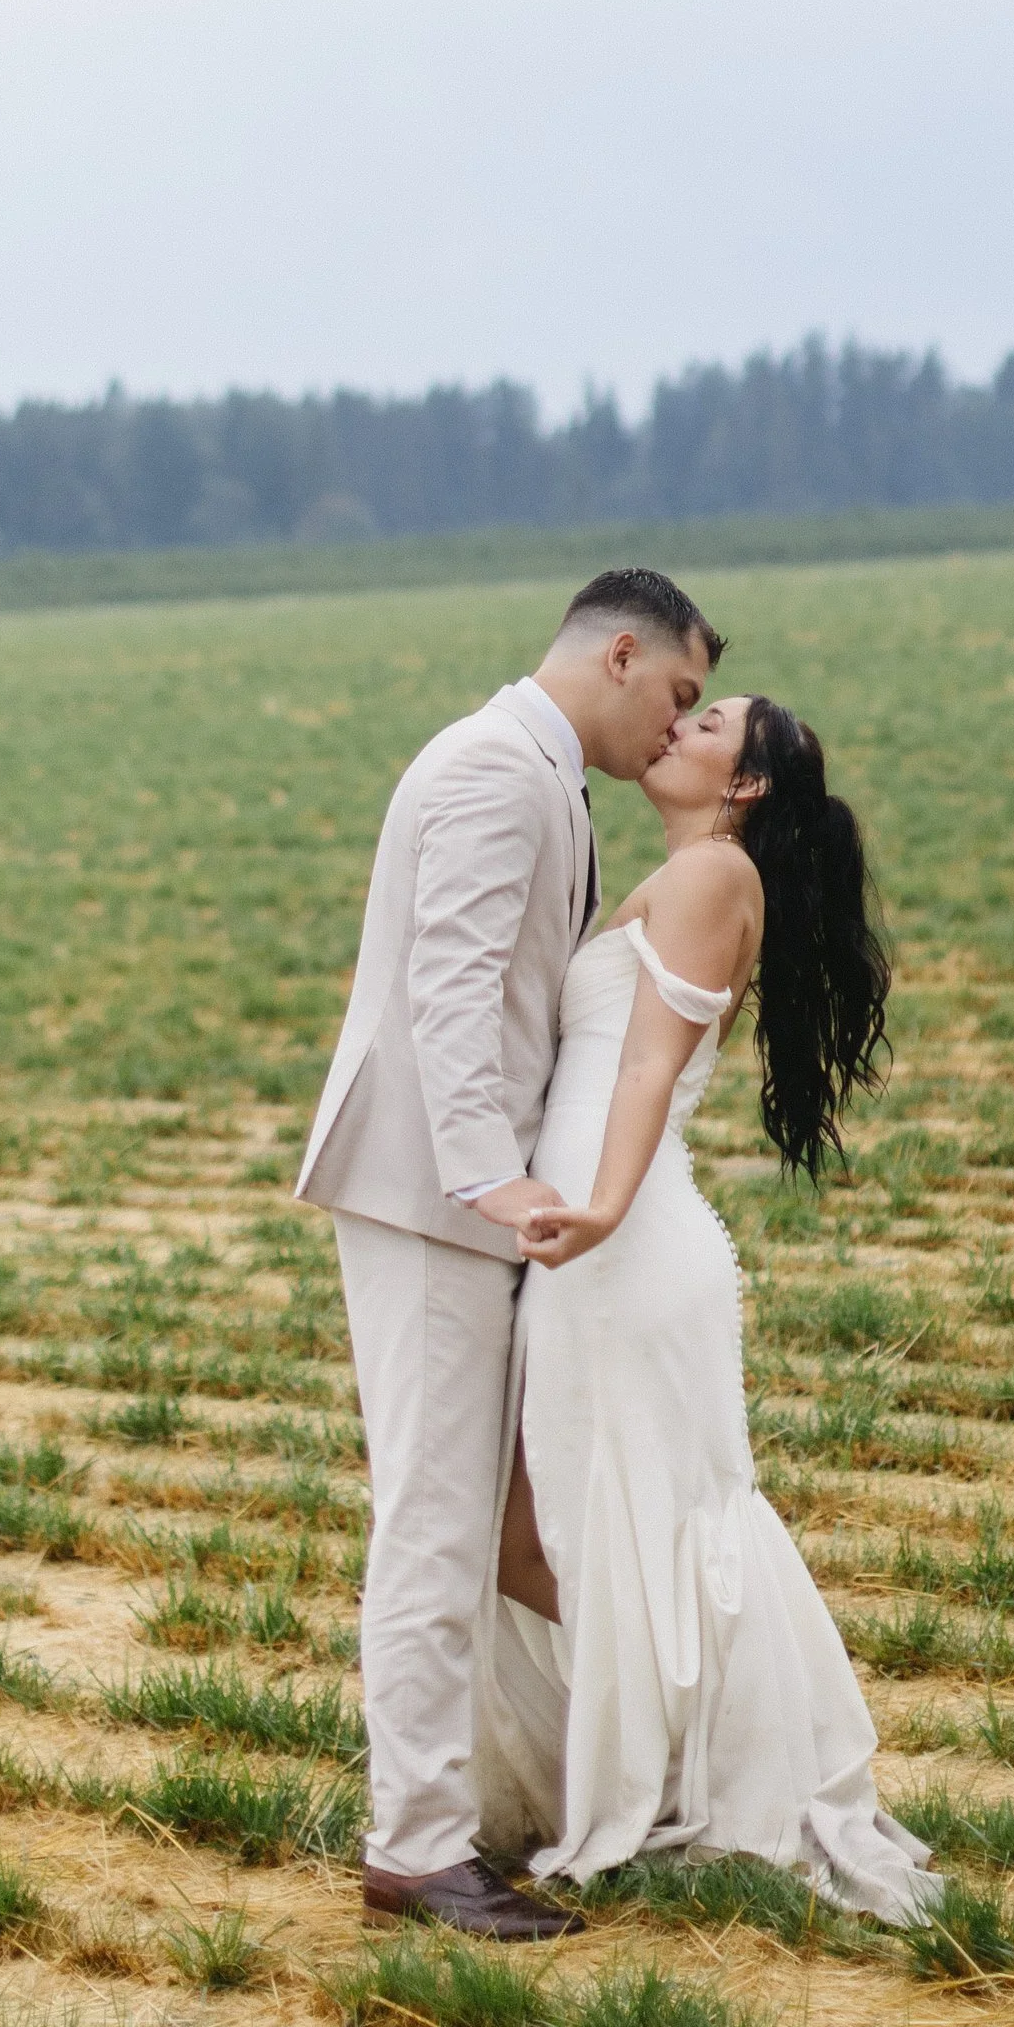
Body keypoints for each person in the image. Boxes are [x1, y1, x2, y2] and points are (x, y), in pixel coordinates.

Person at [295, 565, 720, 1939]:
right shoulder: (493, 767)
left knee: (469, 1519)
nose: (677, 725)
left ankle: (478, 1807)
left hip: (448, 1194)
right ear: (617, 653)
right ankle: (417, 1851)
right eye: (678, 693)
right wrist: (497, 1179)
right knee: (433, 1520)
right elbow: (451, 986)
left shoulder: (541, 771)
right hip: (430, 1193)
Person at [476, 693, 940, 1920]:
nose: (678, 725)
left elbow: (645, 1064)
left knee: (596, 1527)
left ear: (745, 786)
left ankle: (716, 1758)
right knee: (537, 1528)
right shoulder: (688, 870)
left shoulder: (710, 878)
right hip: (592, 1237)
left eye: (709, 722)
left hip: (620, 1246)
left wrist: (605, 1207)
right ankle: (675, 1747)